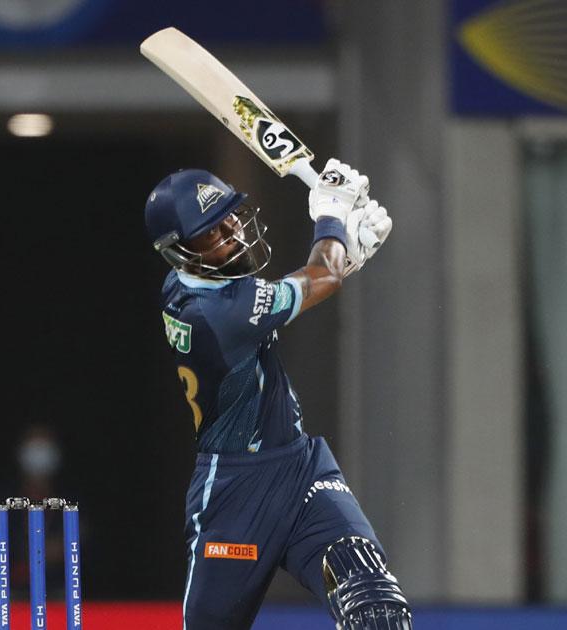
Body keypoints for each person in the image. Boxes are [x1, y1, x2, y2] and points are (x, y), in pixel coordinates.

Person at [143, 161, 412, 630]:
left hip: (303, 470)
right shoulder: (213, 314)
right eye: (211, 232)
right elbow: (321, 279)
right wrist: (331, 216)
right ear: (180, 253)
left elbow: (312, 282)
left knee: (377, 609)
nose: (231, 232)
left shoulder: (207, 288)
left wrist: (348, 250)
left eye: (228, 216)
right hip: (234, 491)